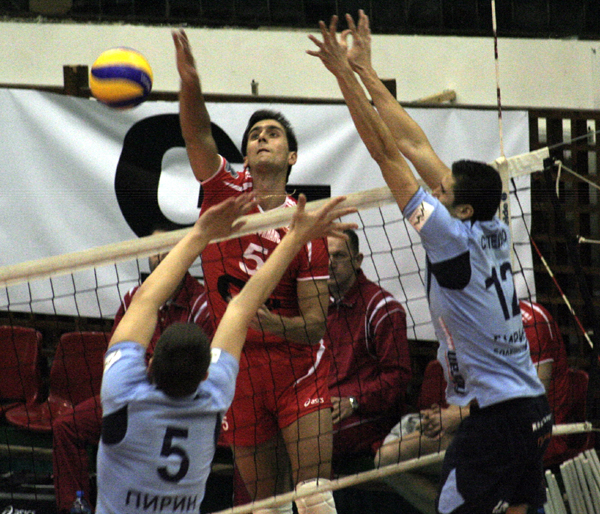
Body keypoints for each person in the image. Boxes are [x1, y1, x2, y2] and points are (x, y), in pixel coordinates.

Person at [308, 12, 552, 514]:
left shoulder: (448, 236)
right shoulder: (489, 224)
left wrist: (343, 77)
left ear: (460, 211)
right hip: (532, 412)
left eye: (441, 192)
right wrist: (366, 70)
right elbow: (415, 144)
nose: (433, 194)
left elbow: (386, 152)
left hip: (497, 421)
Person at [95, 192, 357, 514]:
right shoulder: (213, 400)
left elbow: (144, 301)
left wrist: (199, 234)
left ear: (149, 365)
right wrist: (295, 239)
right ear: (205, 375)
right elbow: (241, 307)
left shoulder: (122, 394)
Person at [173, 29, 338, 514]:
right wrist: (190, 83)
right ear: (245, 155)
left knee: (313, 497)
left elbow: (315, 326)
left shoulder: (304, 226)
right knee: (264, 506)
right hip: (238, 368)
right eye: (254, 134)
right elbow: (196, 135)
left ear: (291, 157)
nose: (262, 137)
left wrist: (268, 322)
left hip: (296, 368)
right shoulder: (223, 189)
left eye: (273, 133)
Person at [52, 224, 215, 514]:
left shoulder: (202, 304)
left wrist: (161, 372)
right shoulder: (134, 299)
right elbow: (116, 354)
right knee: (68, 425)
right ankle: (75, 506)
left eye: (170, 249)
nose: (160, 256)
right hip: (133, 396)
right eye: (155, 249)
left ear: (185, 253)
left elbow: (202, 369)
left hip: (179, 401)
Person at [373, 301, 568, 513]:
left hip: (530, 437)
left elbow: (532, 403)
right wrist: (441, 418)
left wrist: (458, 416)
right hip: (484, 432)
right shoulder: (468, 324)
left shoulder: (532, 321)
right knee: (387, 459)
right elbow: (468, 398)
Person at [326, 229, 411, 466]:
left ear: (358, 260)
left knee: (312, 439)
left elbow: (398, 378)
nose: (330, 263)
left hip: (367, 413)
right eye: (325, 256)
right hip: (325, 406)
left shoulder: (383, 308)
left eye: (339, 256)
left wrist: (354, 401)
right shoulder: (315, 307)